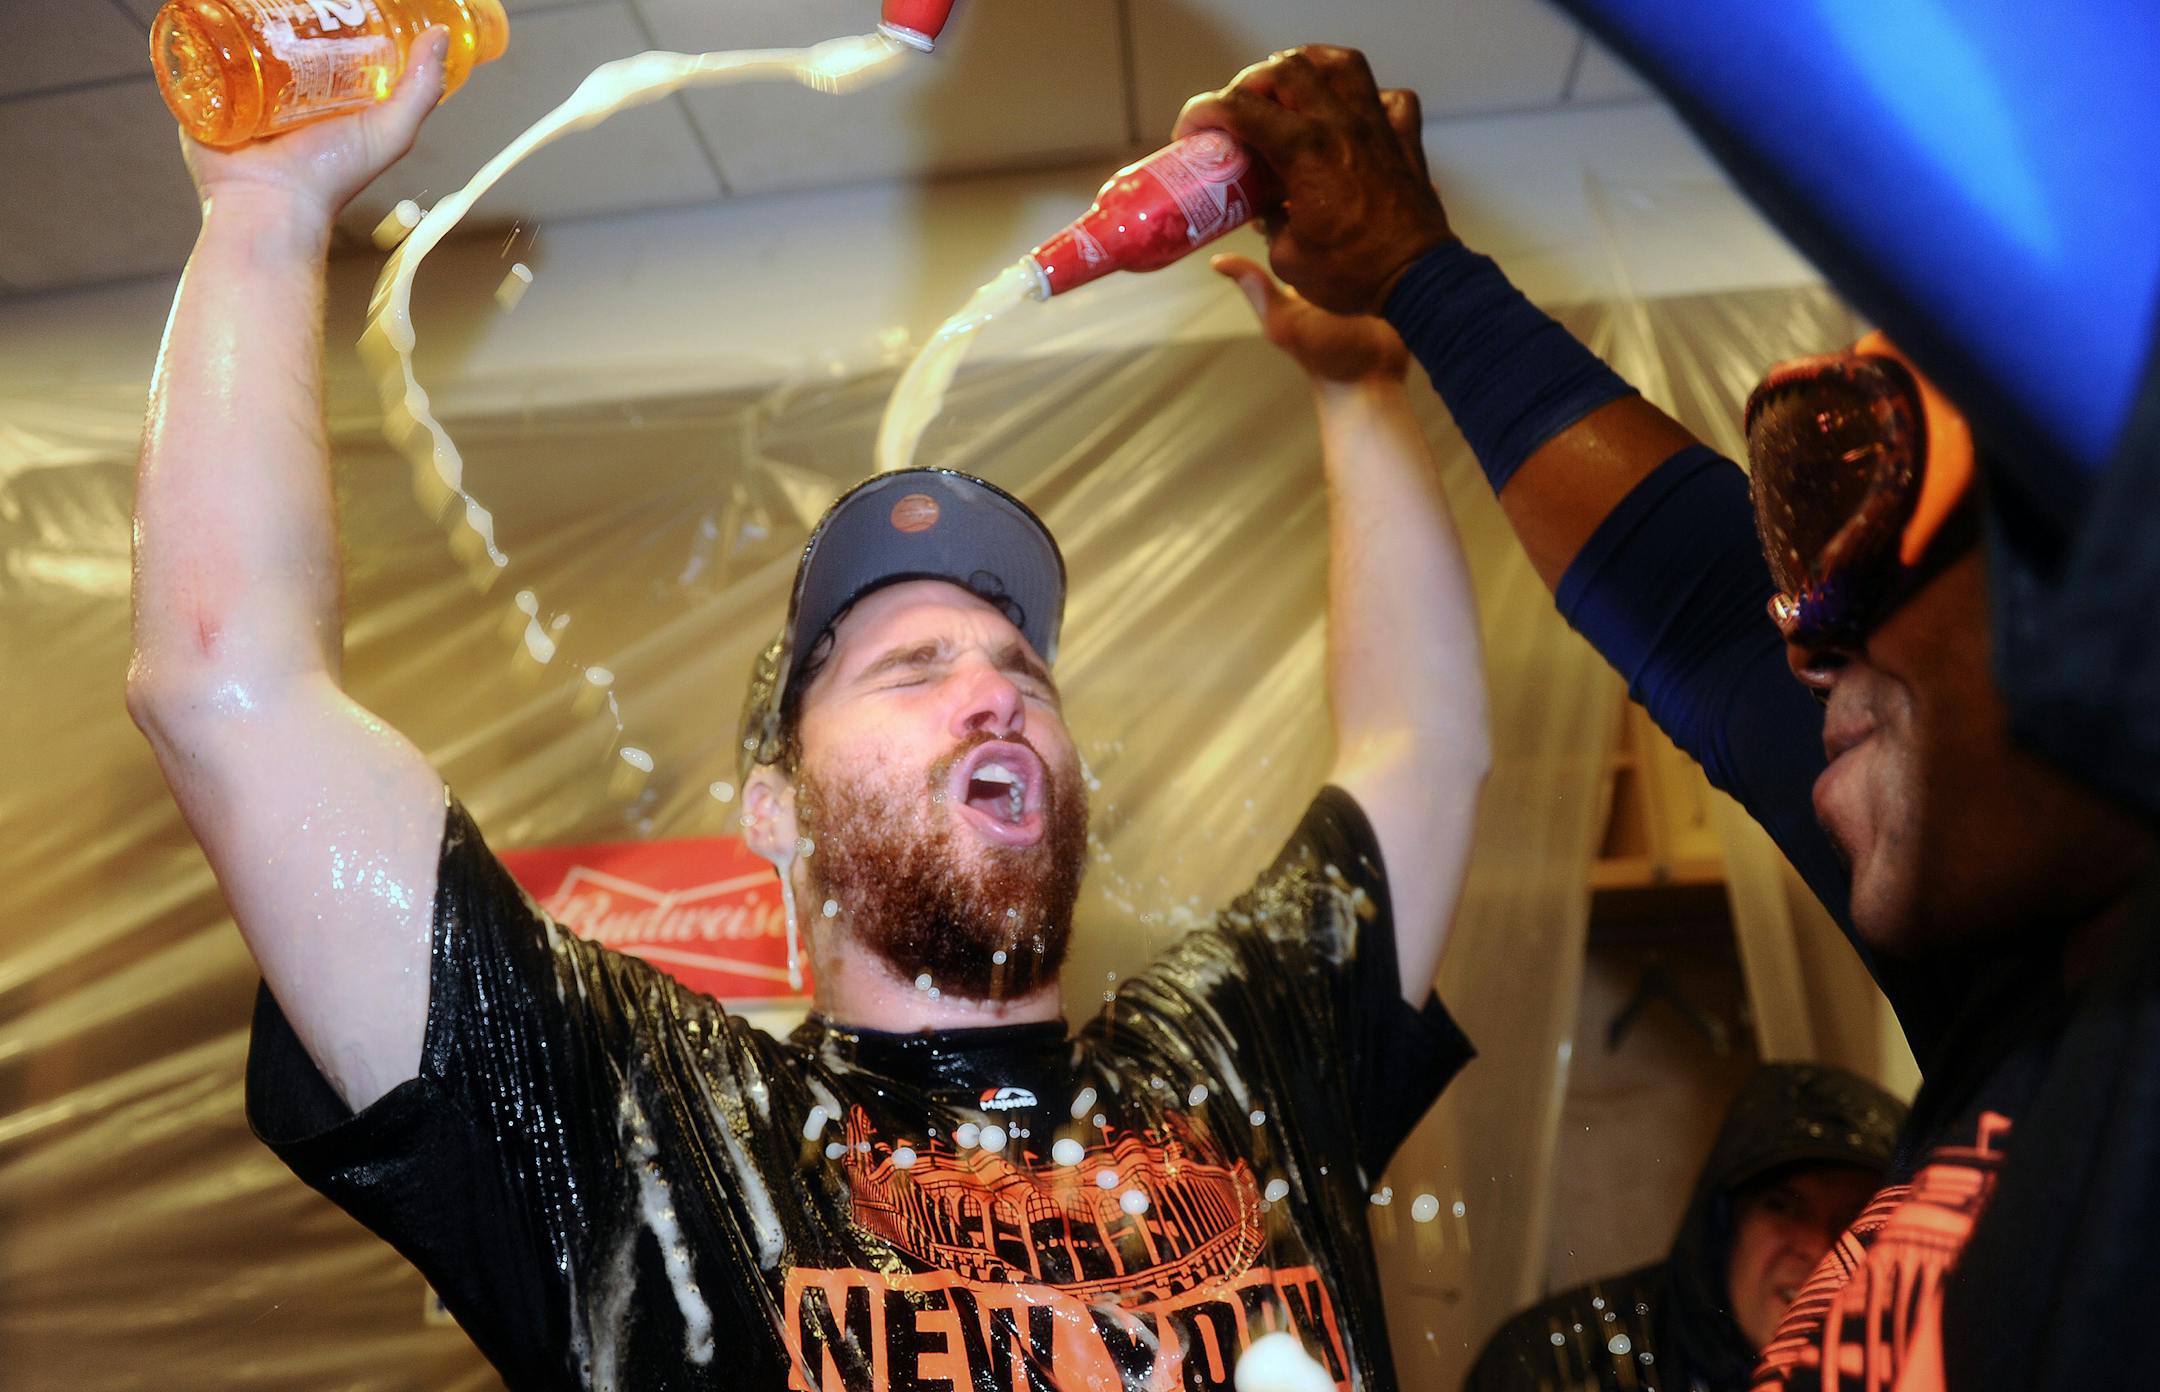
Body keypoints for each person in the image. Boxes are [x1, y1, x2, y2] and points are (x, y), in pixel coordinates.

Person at [127, 31, 1493, 1391]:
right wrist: (264, 214)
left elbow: (1421, 750)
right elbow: (232, 696)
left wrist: (1364, 376)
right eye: (911, 670)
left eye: (1025, 672)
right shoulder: (649, 1130)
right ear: (770, 810)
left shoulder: (1240, 1066)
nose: (992, 695)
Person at [1176, 44, 2160, 1389]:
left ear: (2095, 605)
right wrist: (1414, 274)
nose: (1808, 639)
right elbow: (1697, 605)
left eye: (1866, 560)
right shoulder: (2019, 975)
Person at [1463, 1065, 1905, 1392]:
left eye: (1855, 1220)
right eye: (1783, 1206)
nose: (1817, 1246)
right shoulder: (1554, 1360)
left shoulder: (1919, 1365)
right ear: (1724, 1224)